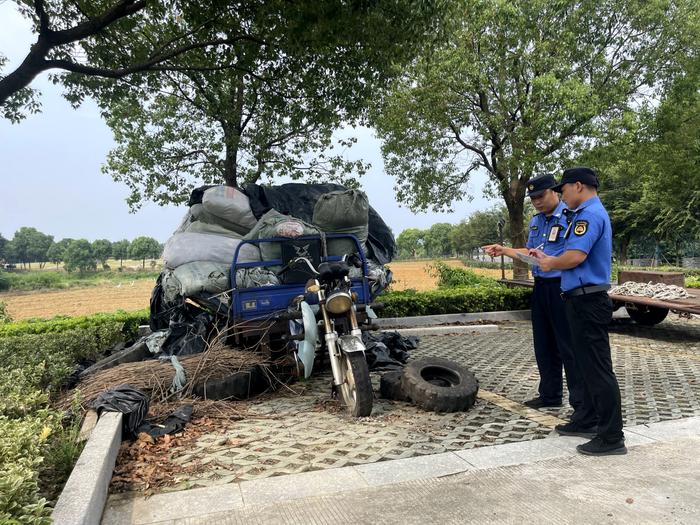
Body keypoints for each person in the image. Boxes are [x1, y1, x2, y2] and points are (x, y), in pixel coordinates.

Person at [530, 166, 626, 456]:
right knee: (585, 366)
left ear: (579, 186)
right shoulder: (583, 214)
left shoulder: (589, 215)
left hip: (588, 300)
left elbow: (575, 256)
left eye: (564, 189)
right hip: (578, 299)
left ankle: (611, 437)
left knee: (597, 369)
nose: (562, 194)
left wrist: (549, 263)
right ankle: (587, 419)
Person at [483, 174, 584, 418]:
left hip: (561, 286)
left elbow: (572, 253)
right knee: (544, 344)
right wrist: (504, 249)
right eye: (533, 198)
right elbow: (531, 252)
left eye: (540, 196)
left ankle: (581, 404)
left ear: (554, 192)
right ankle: (550, 394)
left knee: (568, 346)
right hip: (540, 287)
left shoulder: (571, 218)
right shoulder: (537, 221)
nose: (537, 201)